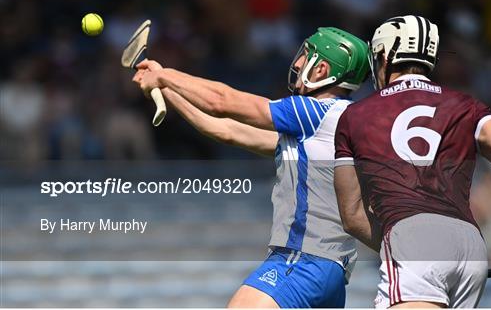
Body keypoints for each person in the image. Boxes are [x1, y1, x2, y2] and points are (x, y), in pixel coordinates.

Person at [133, 27, 370, 308]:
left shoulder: (314, 112)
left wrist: (165, 75)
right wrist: (167, 90)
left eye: (306, 57)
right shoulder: (332, 124)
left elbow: (221, 102)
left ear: (321, 69)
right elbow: (225, 131)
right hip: (330, 270)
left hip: (302, 260)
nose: (296, 64)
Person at [333, 15, 491, 308]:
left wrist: (403, 245)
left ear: (385, 56)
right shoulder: (467, 104)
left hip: (412, 234)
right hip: (470, 243)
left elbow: (351, 216)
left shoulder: (354, 115)